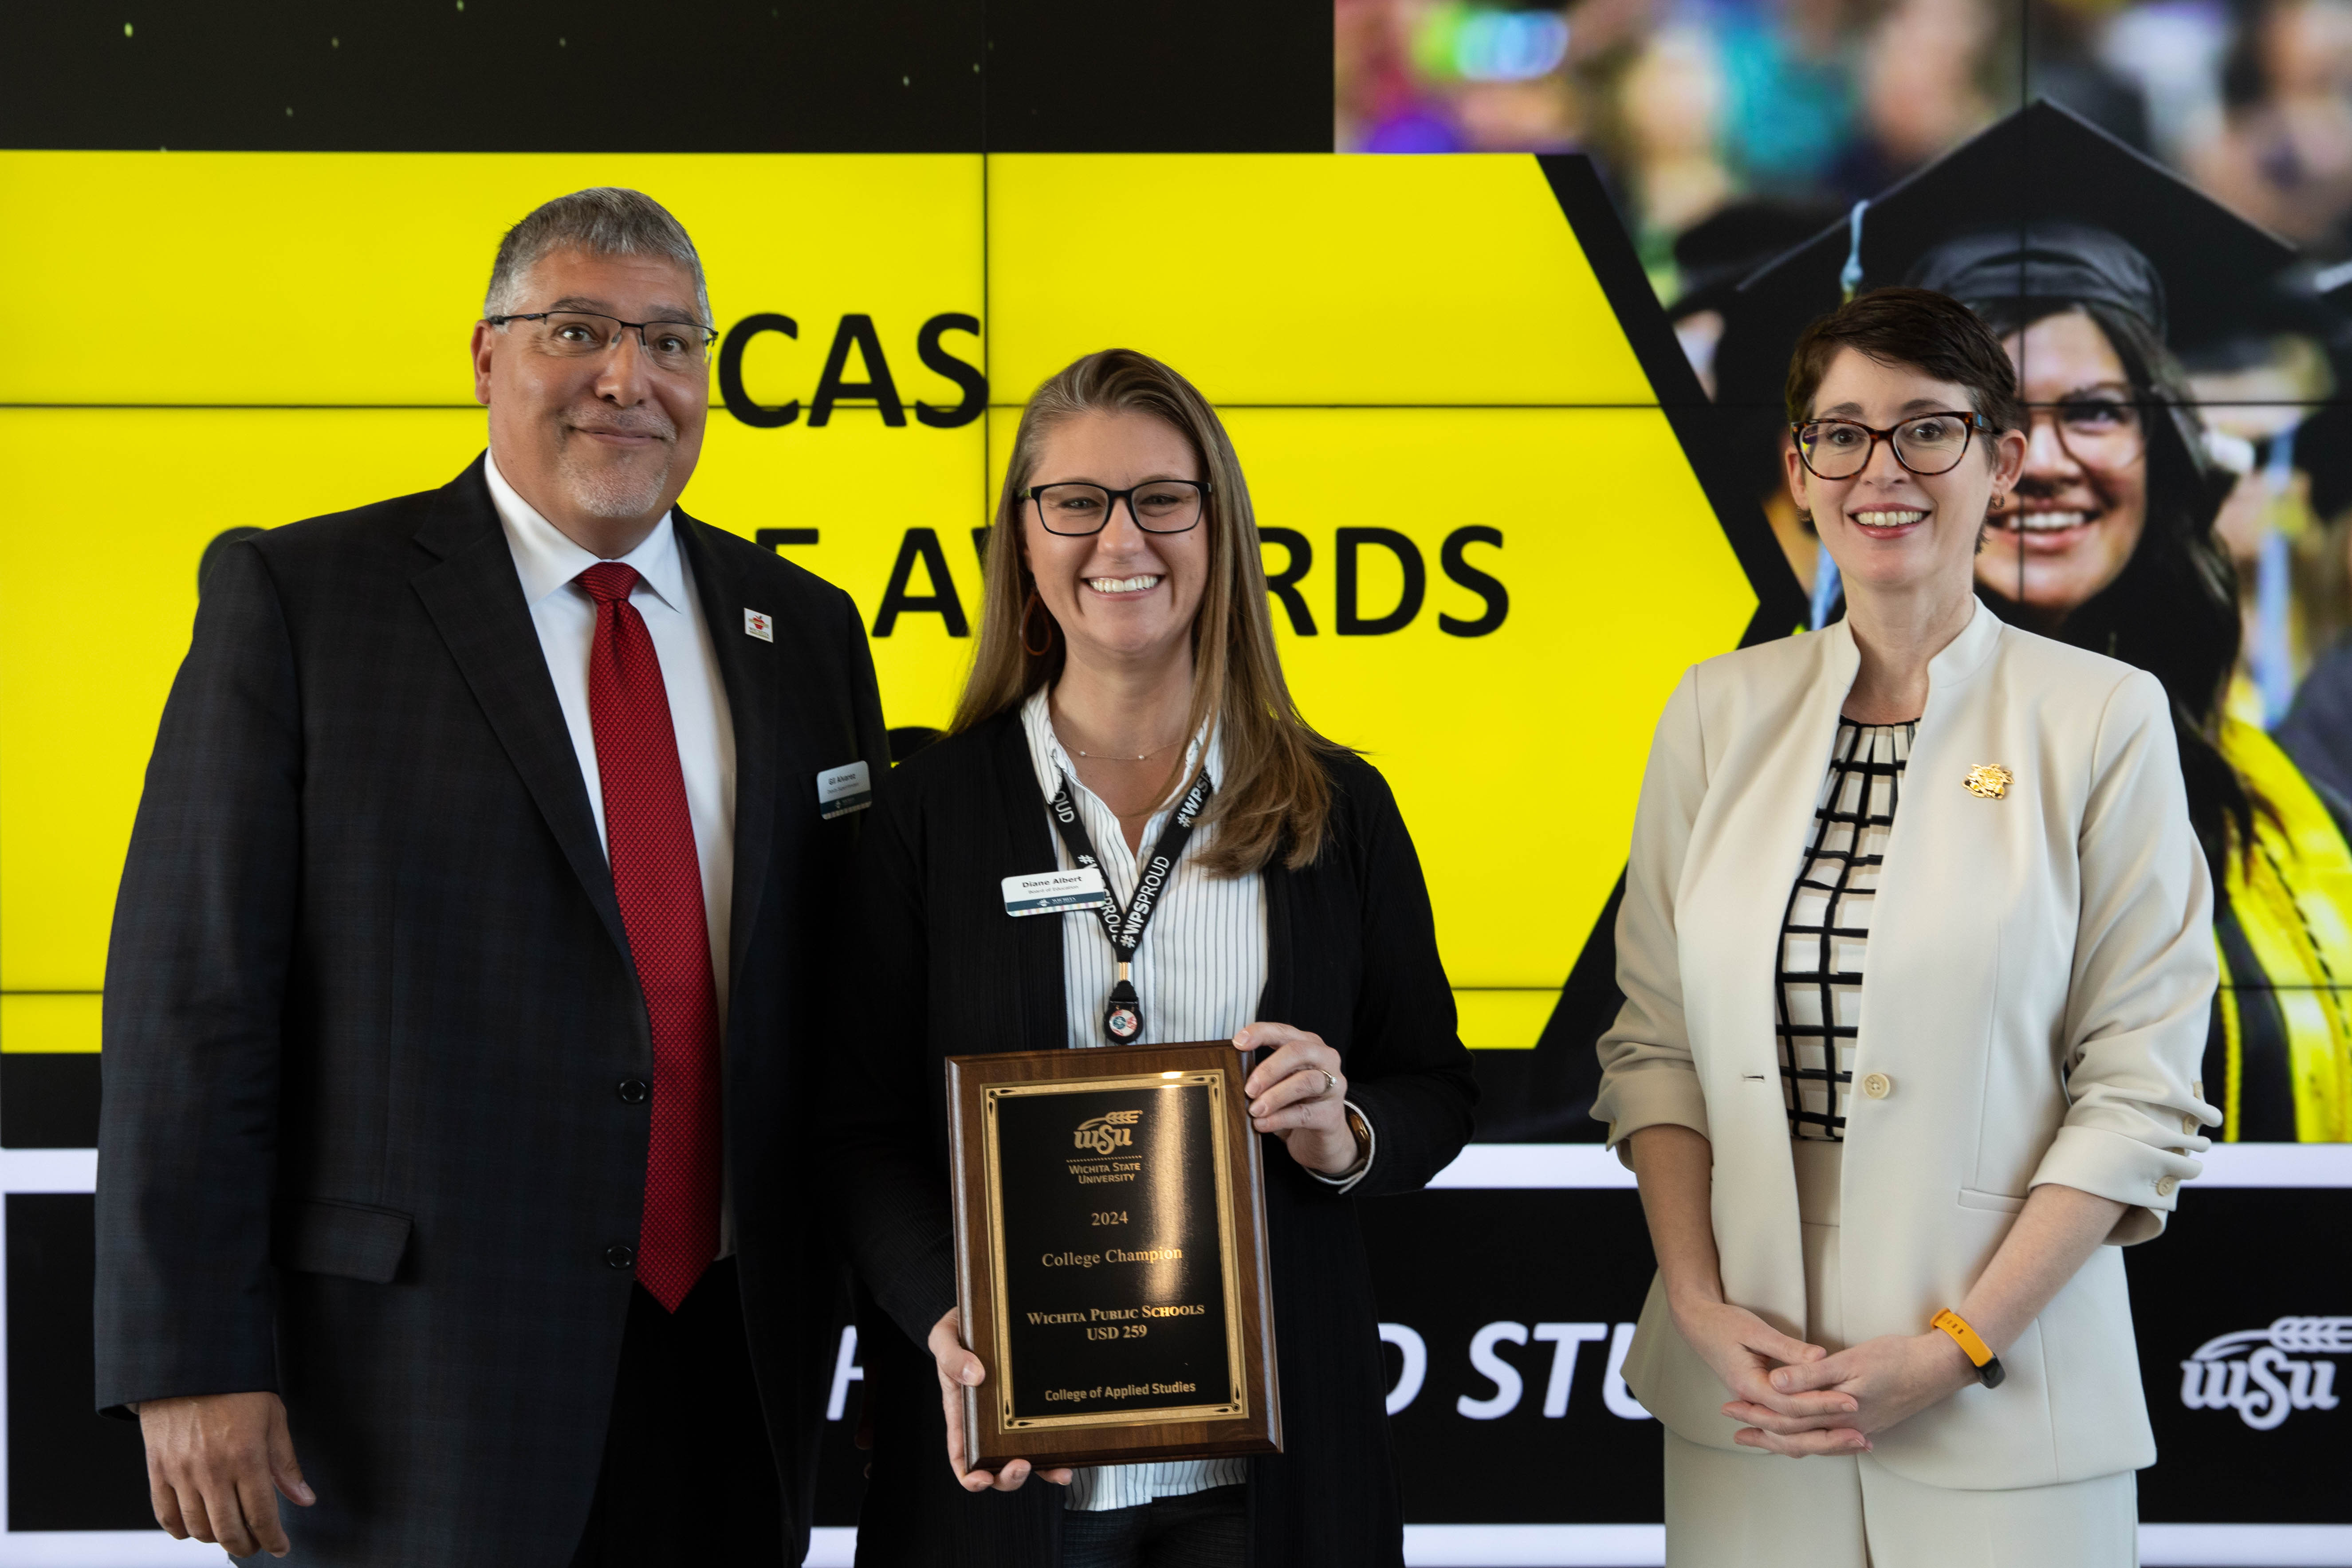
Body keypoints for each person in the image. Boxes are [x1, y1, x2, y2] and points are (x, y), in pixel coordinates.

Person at [94, 188, 887, 1565]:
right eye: (576, 330)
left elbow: (846, 1007)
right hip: (416, 1385)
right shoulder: (306, 600)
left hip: (733, 1366)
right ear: (483, 356)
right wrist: (191, 1352)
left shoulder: (804, 632)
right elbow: (194, 1000)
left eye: (670, 343)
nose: (626, 379)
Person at [1596, 287, 2218, 1566]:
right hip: (1747, 1391)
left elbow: (2138, 1091)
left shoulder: (2100, 716)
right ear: (1798, 470)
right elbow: (1651, 1050)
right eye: (1842, 433)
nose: (1881, 469)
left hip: (2009, 1392)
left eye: (1928, 429)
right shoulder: (1713, 710)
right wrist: (1699, 1307)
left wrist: (1957, 1346)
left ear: (1999, 463)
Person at [831, 348, 1477, 1567]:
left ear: (1217, 529)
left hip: (1268, 1482)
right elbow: (858, 1129)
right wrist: (948, 1315)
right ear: (1022, 543)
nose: (1119, 538)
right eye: (1075, 502)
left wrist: (1342, 1132)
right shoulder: (929, 812)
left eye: (1161, 499)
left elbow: (1437, 1087)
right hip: (1012, 1480)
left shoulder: (1336, 807)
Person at [1716, 100, 2352, 1141]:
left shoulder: (2285, 810)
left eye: (2094, 412)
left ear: (2163, 454)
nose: (2042, 462)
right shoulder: (1770, 772)